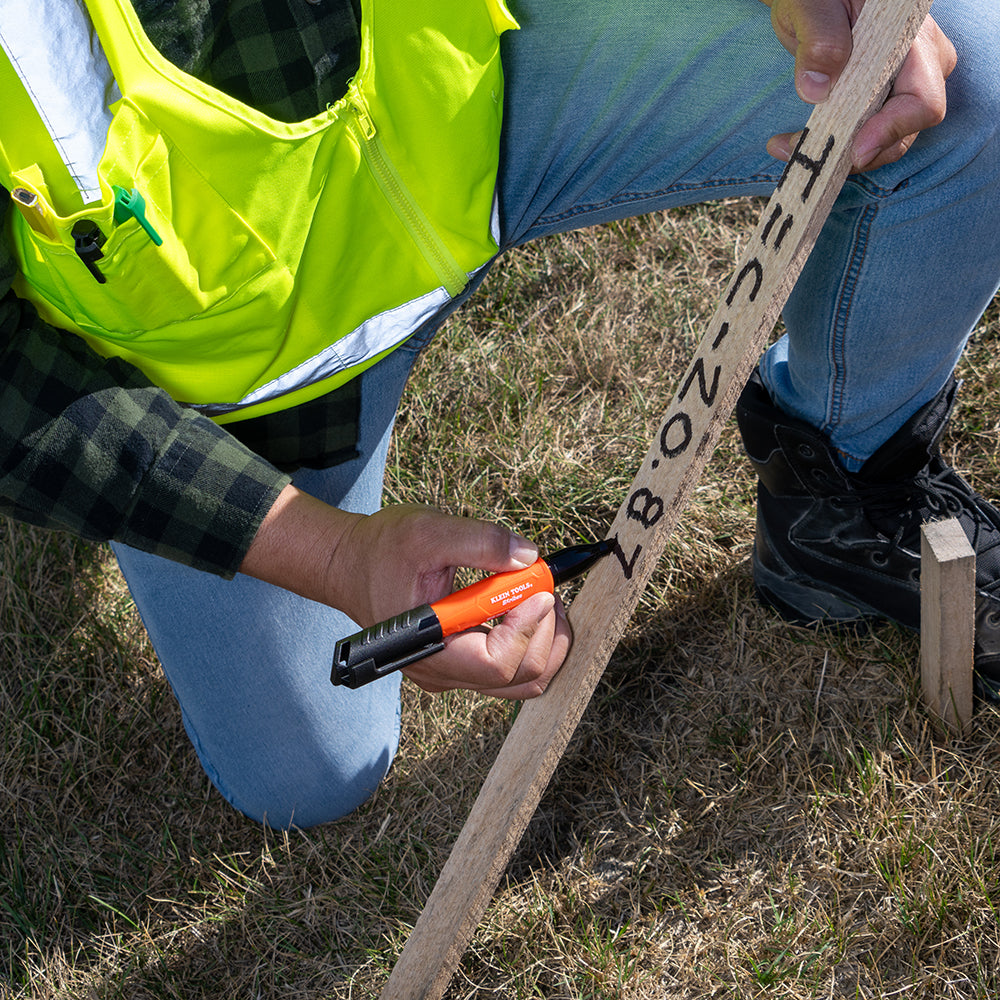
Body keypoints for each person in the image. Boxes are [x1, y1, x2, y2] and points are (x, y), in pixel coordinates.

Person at [1, 0, 997, 829]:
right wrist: (330, 553)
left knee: (960, 72)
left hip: (472, 111)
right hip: (238, 394)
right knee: (309, 781)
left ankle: (844, 492)